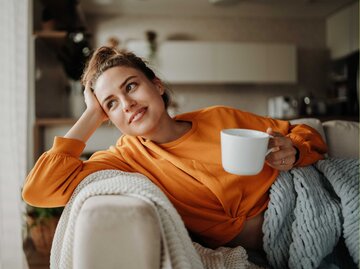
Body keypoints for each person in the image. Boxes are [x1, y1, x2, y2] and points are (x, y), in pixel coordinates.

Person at [22, 46, 327, 251]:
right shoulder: (125, 158)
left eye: (130, 86)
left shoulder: (220, 117)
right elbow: (39, 190)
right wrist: (90, 115)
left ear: (157, 85)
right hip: (266, 249)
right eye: (111, 104)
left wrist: (295, 150)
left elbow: (306, 132)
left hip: (305, 208)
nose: (127, 104)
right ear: (107, 117)